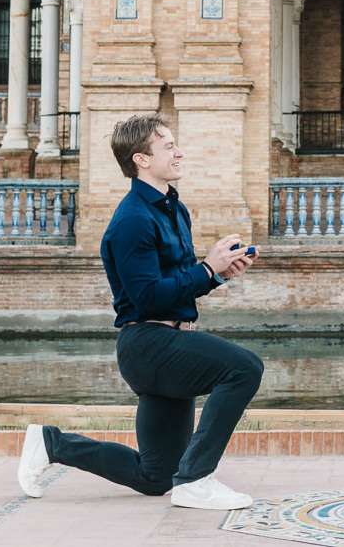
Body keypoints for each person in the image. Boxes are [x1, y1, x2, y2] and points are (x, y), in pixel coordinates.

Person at [16, 114, 263, 511]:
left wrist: (218, 274)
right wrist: (206, 269)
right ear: (142, 160)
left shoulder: (174, 211)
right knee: (244, 368)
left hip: (169, 342)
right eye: (168, 146)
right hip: (148, 345)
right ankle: (197, 481)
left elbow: (175, 285)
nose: (179, 152)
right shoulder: (132, 219)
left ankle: (52, 443)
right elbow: (147, 298)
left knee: (156, 476)